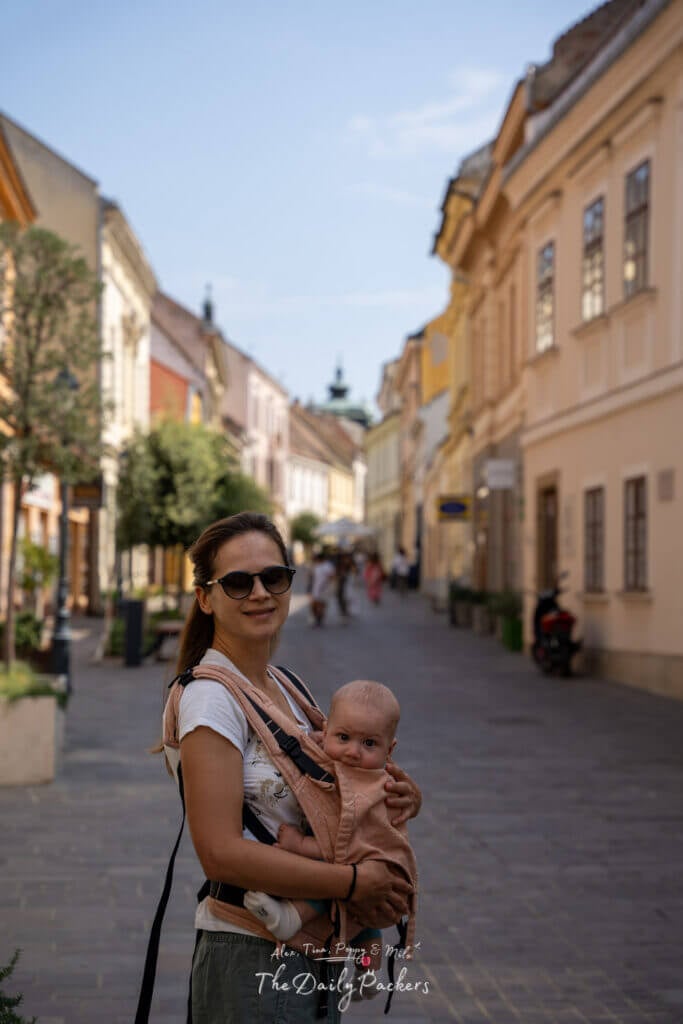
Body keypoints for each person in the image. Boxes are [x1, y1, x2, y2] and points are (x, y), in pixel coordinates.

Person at [161, 512, 421, 1023]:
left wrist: (398, 795)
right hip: (253, 951)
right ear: (206, 598)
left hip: (311, 953)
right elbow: (219, 854)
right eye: (238, 582)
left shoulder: (287, 685)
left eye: (273, 577)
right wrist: (351, 884)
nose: (259, 592)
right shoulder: (212, 699)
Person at [243, 678, 417, 997]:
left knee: (329, 893)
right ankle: (367, 972)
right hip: (371, 874)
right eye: (343, 737)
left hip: (363, 863)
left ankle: (291, 919)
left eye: (369, 744)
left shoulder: (370, 786)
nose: (352, 752)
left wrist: (299, 845)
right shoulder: (343, 762)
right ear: (327, 732)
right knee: (365, 927)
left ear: (389, 750)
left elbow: (338, 840)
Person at [310, 549, 335, 626]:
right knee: (314, 604)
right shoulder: (316, 565)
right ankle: (317, 618)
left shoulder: (327, 566)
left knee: (322, 605)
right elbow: (312, 576)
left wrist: (326, 586)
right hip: (316, 588)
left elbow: (332, 576)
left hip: (324, 589)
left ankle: (319, 620)